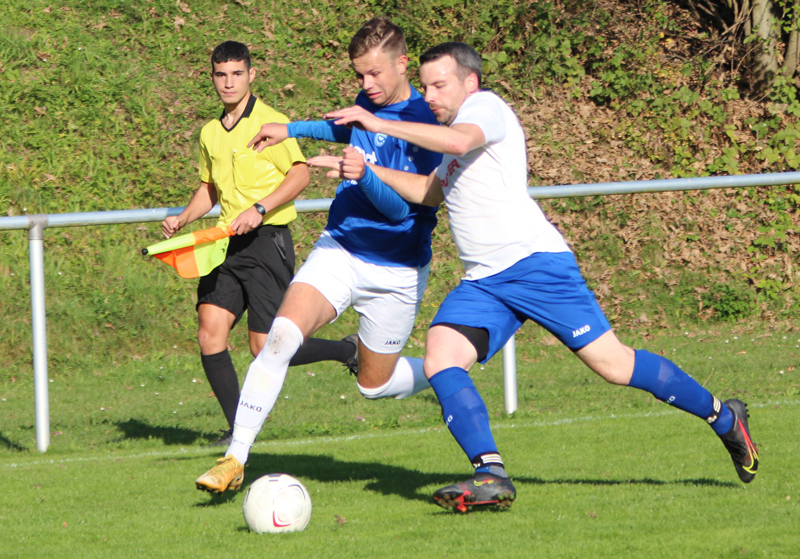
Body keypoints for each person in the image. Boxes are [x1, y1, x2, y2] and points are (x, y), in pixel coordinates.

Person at [312, 42, 759, 512]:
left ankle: (724, 417)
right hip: (486, 280)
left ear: (470, 82)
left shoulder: (486, 109)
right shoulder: (446, 133)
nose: (431, 95)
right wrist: (366, 171)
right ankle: (491, 474)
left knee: (613, 365)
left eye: (439, 85)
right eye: (425, 87)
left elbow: (463, 140)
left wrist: (381, 123)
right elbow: (428, 192)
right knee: (441, 356)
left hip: (536, 266)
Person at [194, 19, 443, 493]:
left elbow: (401, 212)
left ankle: (446, 365)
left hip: (396, 267)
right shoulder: (368, 103)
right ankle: (235, 457)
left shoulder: (427, 125)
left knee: (374, 385)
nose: (365, 87)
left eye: (373, 75)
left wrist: (364, 175)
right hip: (341, 247)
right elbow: (340, 127)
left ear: (403, 64)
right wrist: (287, 128)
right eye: (358, 76)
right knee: (280, 337)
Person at [162, 41, 357, 448]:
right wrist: (183, 217)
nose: (228, 82)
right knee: (209, 333)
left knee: (265, 347)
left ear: (252, 74)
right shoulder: (210, 133)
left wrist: (260, 207)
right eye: (221, 74)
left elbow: (300, 175)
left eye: (237, 73)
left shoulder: (271, 121)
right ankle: (239, 432)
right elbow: (209, 189)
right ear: (212, 76)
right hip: (224, 245)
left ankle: (345, 350)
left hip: (266, 242)